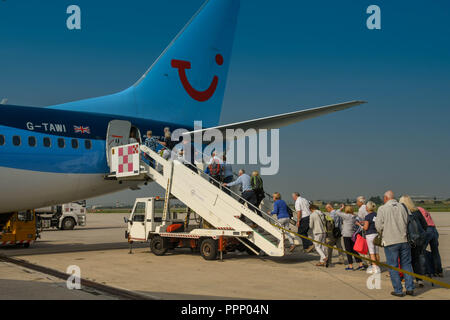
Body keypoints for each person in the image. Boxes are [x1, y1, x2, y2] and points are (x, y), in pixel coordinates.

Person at [376, 190, 415, 297]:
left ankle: (398, 290)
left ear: (385, 198)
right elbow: (408, 221)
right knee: (406, 264)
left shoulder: (382, 208)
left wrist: (385, 229)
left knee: (393, 266)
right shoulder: (403, 207)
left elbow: (378, 226)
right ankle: (410, 288)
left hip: (390, 241)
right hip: (404, 240)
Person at [399, 195, 429, 287]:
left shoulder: (403, 212)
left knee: (406, 260)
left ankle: (406, 278)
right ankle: (419, 279)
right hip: (418, 239)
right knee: (416, 259)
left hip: (407, 240)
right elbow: (425, 225)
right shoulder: (417, 211)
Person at [336, 205, 366, 271]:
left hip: (346, 235)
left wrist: (341, 208)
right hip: (352, 234)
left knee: (348, 250)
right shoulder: (354, 216)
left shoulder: (346, 216)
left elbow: (337, 212)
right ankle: (360, 264)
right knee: (354, 249)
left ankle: (350, 265)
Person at [418, 206, 443, 277]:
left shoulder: (417, 210)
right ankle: (438, 271)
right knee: (435, 252)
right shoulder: (423, 209)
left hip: (427, 230)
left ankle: (424, 271)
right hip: (434, 229)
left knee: (421, 251)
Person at [360, 201, 380, 274]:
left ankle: (375, 268)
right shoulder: (376, 214)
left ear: (368, 208)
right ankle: (377, 266)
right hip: (376, 234)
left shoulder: (367, 216)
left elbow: (366, 227)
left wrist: (361, 225)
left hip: (370, 235)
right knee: (377, 252)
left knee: (371, 252)